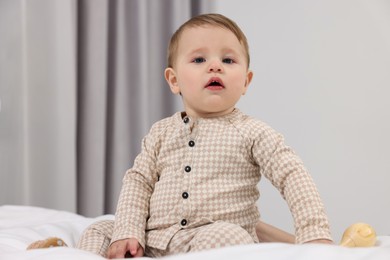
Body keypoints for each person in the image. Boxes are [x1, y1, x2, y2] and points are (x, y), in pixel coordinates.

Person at [77, 13, 333, 258]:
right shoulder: (160, 133)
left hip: (210, 236)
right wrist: (128, 232)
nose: (215, 67)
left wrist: (313, 233)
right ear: (174, 80)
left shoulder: (253, 132)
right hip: (155, 239)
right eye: (199, 60)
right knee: (101, 228)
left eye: (228, 60)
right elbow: (138, 182)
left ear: (246, 81)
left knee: (229, 237)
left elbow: (292, 175)